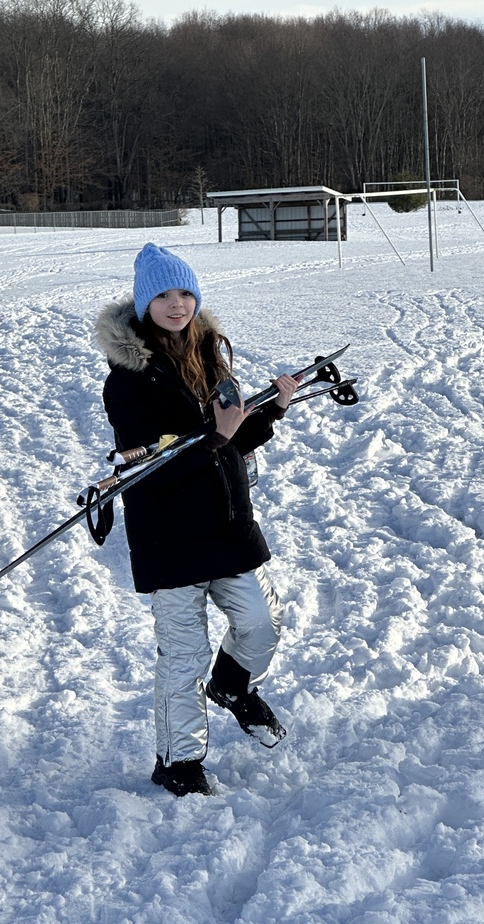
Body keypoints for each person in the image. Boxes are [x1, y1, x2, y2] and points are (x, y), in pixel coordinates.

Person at [94, 243, 300, 797]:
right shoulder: (128, 381)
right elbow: (150, 471)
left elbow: (235, 436)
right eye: (163, 295)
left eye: (185, 292)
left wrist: (273, 410)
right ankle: (178, 760)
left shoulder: (208, 355)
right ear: (143, 303)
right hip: (170, 536)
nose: (177, 304)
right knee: (182, 656)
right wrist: (220, 435)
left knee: (263, 622)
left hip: (228, 524)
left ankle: (233, 685)